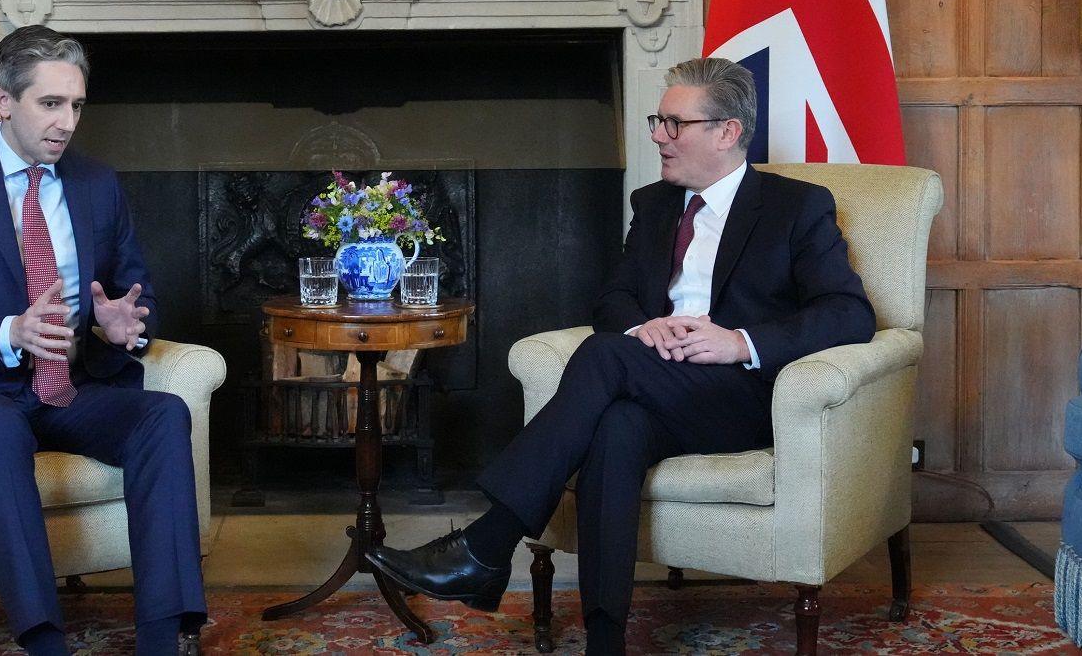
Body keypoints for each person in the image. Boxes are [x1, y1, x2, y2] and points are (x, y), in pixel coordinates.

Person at [368, 57, 876, 655]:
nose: (658, 136)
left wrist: (738, 342)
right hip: (655, 383)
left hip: (743, 395)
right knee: (616, 427)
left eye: (674, 123)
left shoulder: (797, 207)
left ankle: (487, 542)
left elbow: (850, 313)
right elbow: (613, 298)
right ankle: (604, 644)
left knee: (605, 358)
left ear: (727, 131)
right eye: (656, 120)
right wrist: (644, 327)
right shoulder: (656, 204)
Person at [0, 26, 205, 656]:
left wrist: (124, 327)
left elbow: (133, 291)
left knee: (164, 414)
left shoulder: (96, 183)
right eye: (50, 104)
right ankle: (44, 638)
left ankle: (162, 636)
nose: (67, 122)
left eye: (77, 105)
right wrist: (11, 331)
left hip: (74, 386)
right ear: (2, 99)